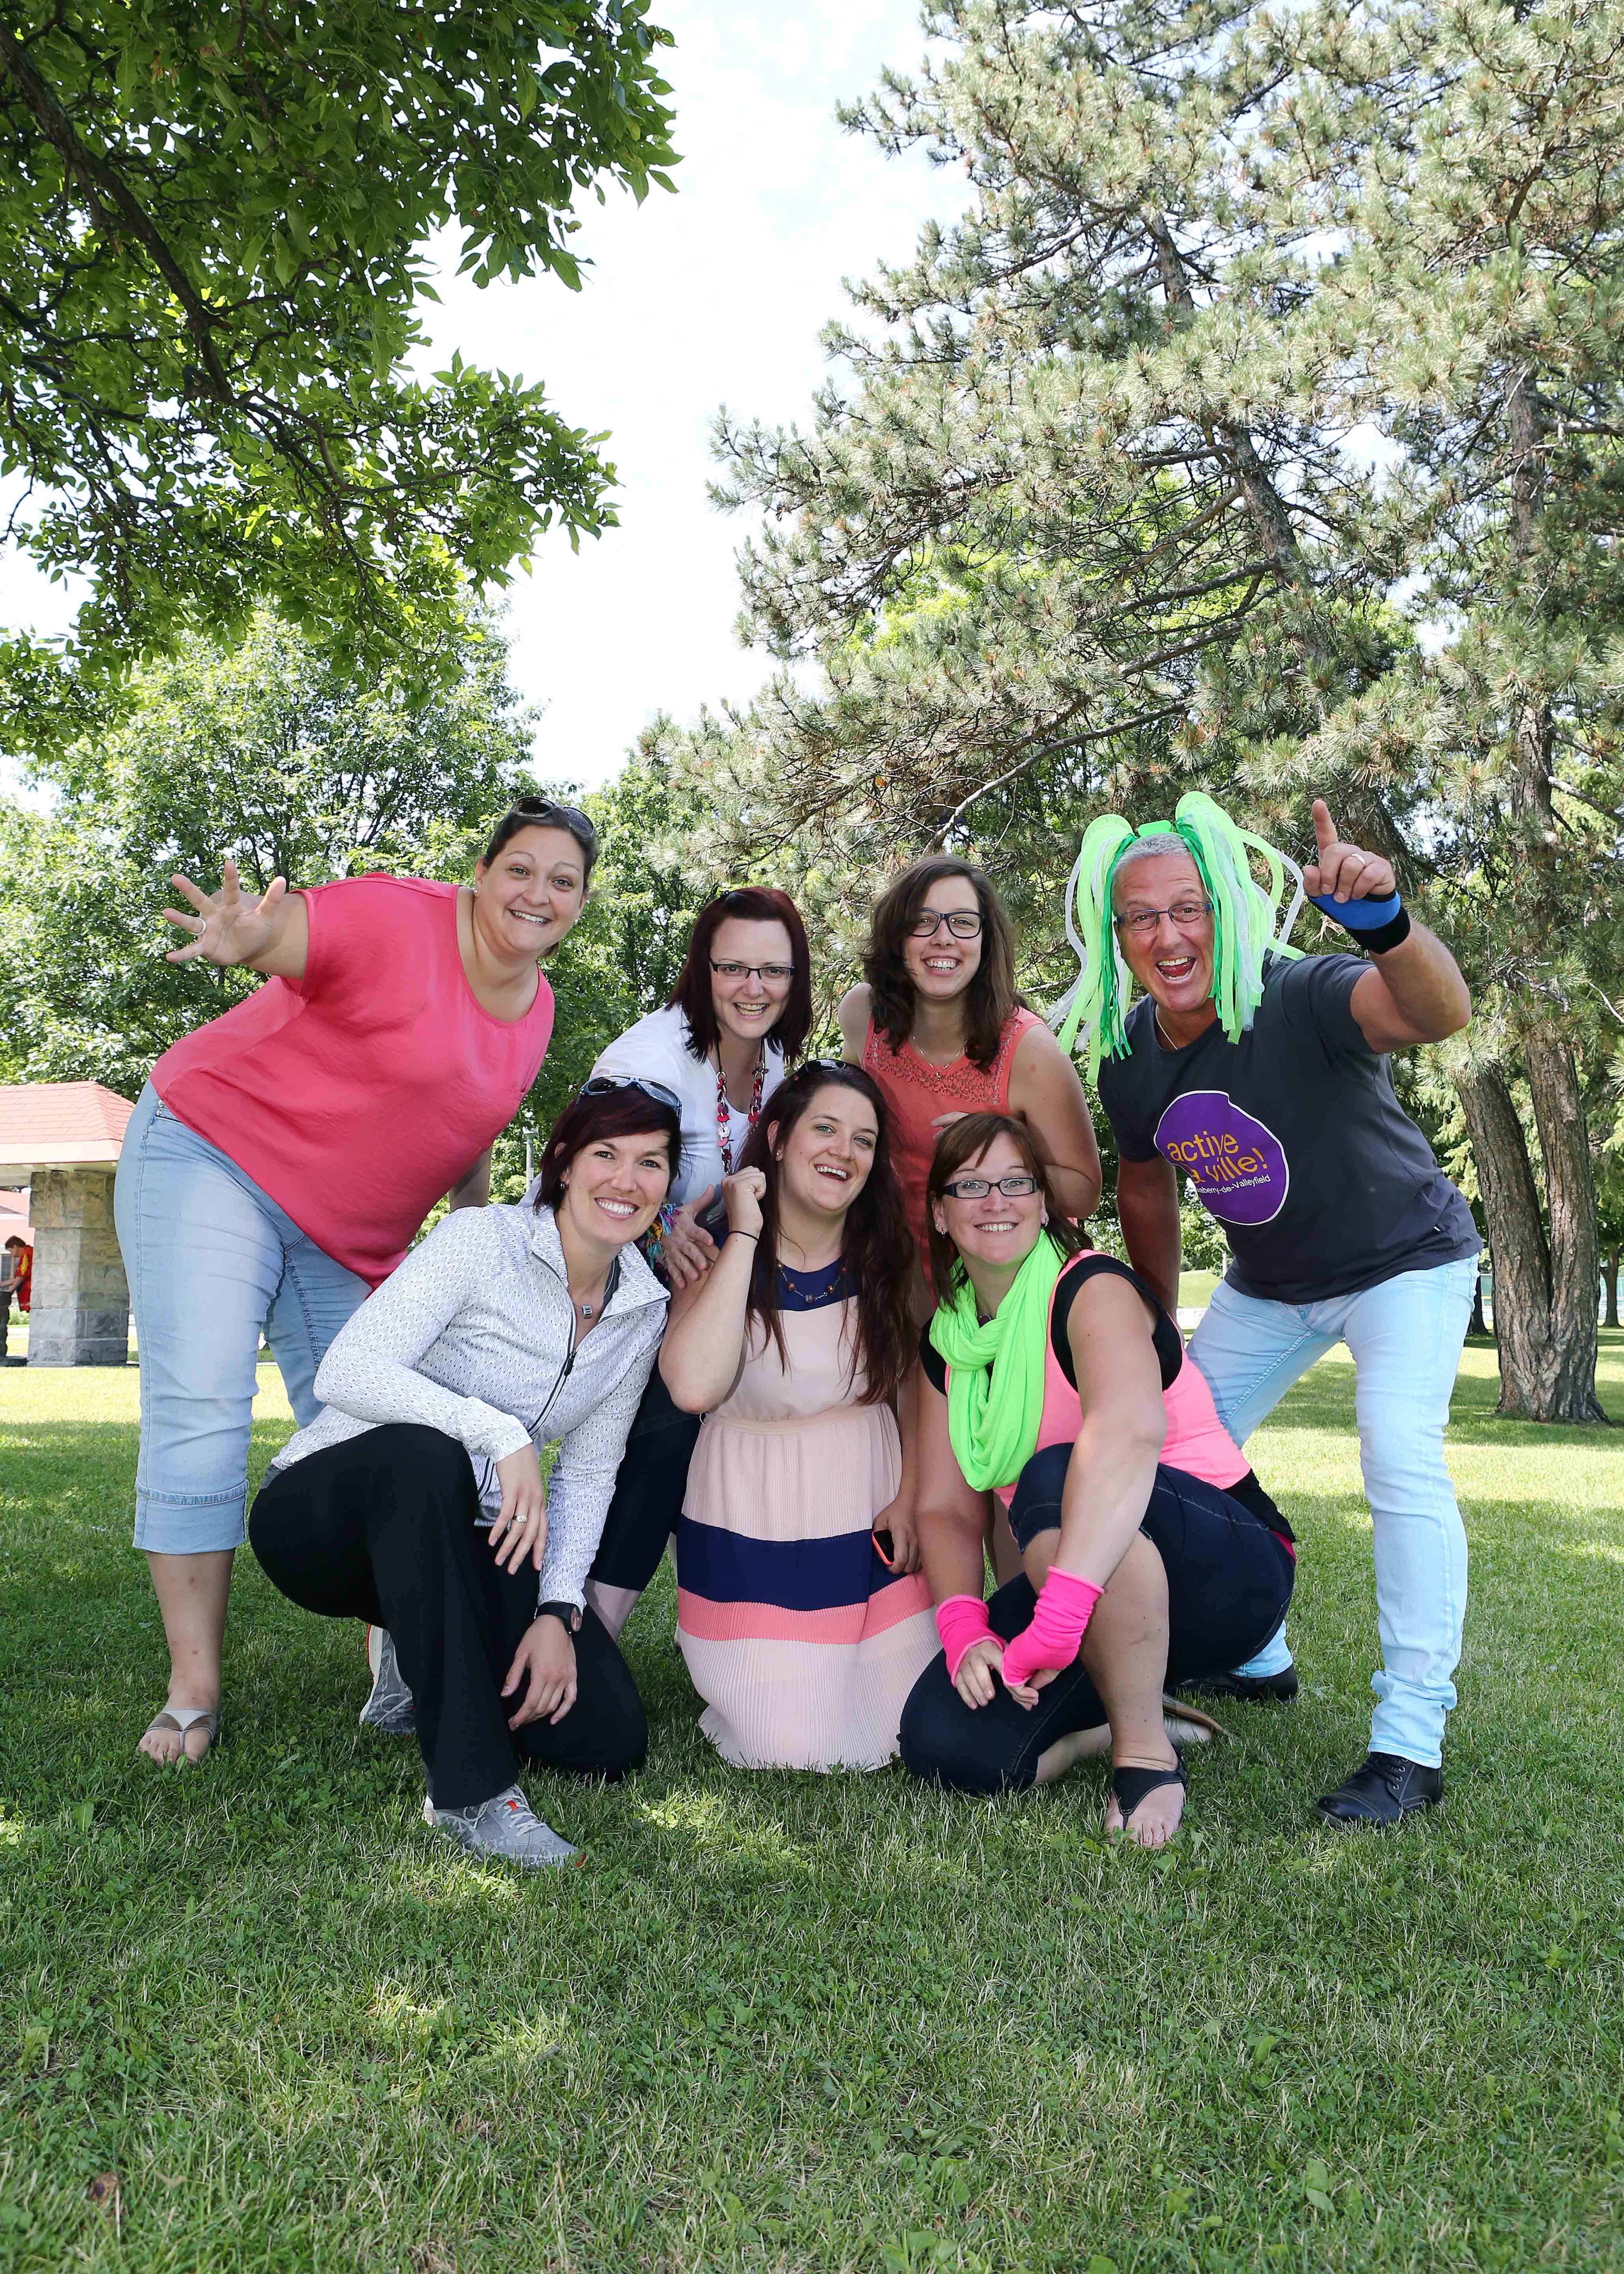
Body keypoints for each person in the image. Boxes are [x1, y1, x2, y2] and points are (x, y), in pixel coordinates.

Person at [114, 796, 595, 1768]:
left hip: (351, 1233)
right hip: (215, 1155)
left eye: (563, 881)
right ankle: (193, 1690)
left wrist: (472, 1236)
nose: (537, 893)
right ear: (479, 872)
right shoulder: (397, 917)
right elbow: (286, 933)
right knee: (204, 1400)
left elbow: (468, 1123)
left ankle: (398, 1654)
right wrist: (248, 936)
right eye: (520, 868)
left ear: (579, 905)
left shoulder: (537, 1010)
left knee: (402, 1429)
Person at [1054, 790, 1477, 1827]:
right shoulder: (1129, 1054)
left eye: (1187, 907)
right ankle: (1259, 1654)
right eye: (1140, 917)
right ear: (1117, 937)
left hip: (1403, 1265)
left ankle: (1408, 1746)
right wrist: (1152, 1336)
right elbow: (1147, 1189)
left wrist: (1380, 920)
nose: (1166, 934)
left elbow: (1435, 1014)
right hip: (1270, 1288)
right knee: (1147, 1451)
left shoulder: (1297, 995)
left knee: (1395, 1453)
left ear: (1228, 912)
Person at [247, 1079, 681, 1869]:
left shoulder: (641, 1308)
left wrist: (557, 1611)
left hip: (457, 1543)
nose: (626, 1180)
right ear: (561, 1161)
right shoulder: (483, 1241)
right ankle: (471, 1794)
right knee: (429, 1456)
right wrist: (496, 1430)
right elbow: (346, 1369)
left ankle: (414, 1666)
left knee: (604, 1737)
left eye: (650, 1164)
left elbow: (588, 1472)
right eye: (605, 1154)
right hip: (322, 1520)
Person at [899, 1116, 1296, 1844]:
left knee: (1059, 1470)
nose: (996, 1201)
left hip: (1227, 1569)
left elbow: (1127, 1434)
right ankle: (1124, 1710)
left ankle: (1145, 1752)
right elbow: (947, 1510)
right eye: (971, 1186)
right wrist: (963, 1627)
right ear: (939, 1212)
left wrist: (1053, 1624)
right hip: (1089, 1580)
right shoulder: (949, 1341)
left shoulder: (1092, 1286)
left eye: (1016, 1182)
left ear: (1045, 1202)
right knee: (941, 1744)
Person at [659, 1064, 939, 1769]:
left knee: (916, 1724)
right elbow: (692, 1387)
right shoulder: (716, 1249)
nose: (843, 1151)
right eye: (825, 1128)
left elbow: (913, 1384)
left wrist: (909, 1497)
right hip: (751, 1517)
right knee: (788, 1745)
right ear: (778, 1139)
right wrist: (745, 1233)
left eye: (864, 1141)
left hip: (866, 1504)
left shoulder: (886, 1257)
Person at [840, 855, 1103, 1581]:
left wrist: (992, 1154)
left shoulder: (1027, 1048)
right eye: (923, 923)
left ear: (987, 942)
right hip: (899, 1272)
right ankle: (933, 1631)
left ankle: (1033, 1638)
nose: (942, 940)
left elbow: (1081, 1189)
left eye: (963, 923)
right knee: (922, 1466)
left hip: (1002, 1284)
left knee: (1007, 1476)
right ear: (897, 939)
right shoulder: (860, 1018)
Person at [583, 887, 812, 1641]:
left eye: (772, 971)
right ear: (702, 971)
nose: (754, 988)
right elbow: (591, 1175)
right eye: (733, 968)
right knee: (668, 1423)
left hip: (693, 1291)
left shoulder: (775, 1059)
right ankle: (591, 1625)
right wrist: (658, 1234)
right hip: (591, 1285)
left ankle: (733, 1607)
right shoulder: (649, 1061)